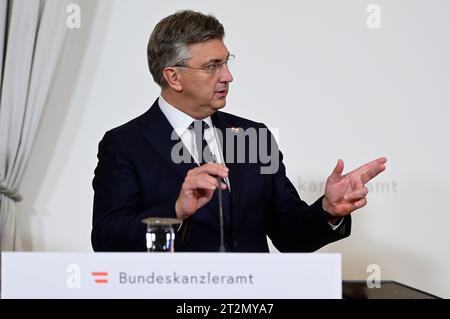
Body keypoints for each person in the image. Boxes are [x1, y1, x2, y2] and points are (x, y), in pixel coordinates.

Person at [91, 10, 386, 252]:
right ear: (173, 76)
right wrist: (176, 211)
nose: (228, 76)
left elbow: (289, 235)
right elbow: (106, 238)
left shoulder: (253, 136)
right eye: (212, 66)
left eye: (226, 62)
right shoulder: (125, 144)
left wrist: (328, 210)